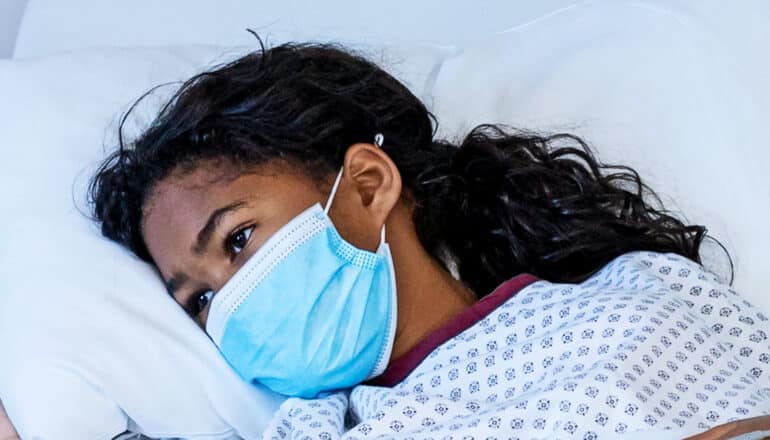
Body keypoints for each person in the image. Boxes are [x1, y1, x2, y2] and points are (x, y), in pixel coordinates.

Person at [86, 39, 770, 438]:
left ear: (365, 185)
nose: (233, 305)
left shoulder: (641, 297)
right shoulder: (314, 428)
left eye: (237, 242)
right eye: (200, 300)